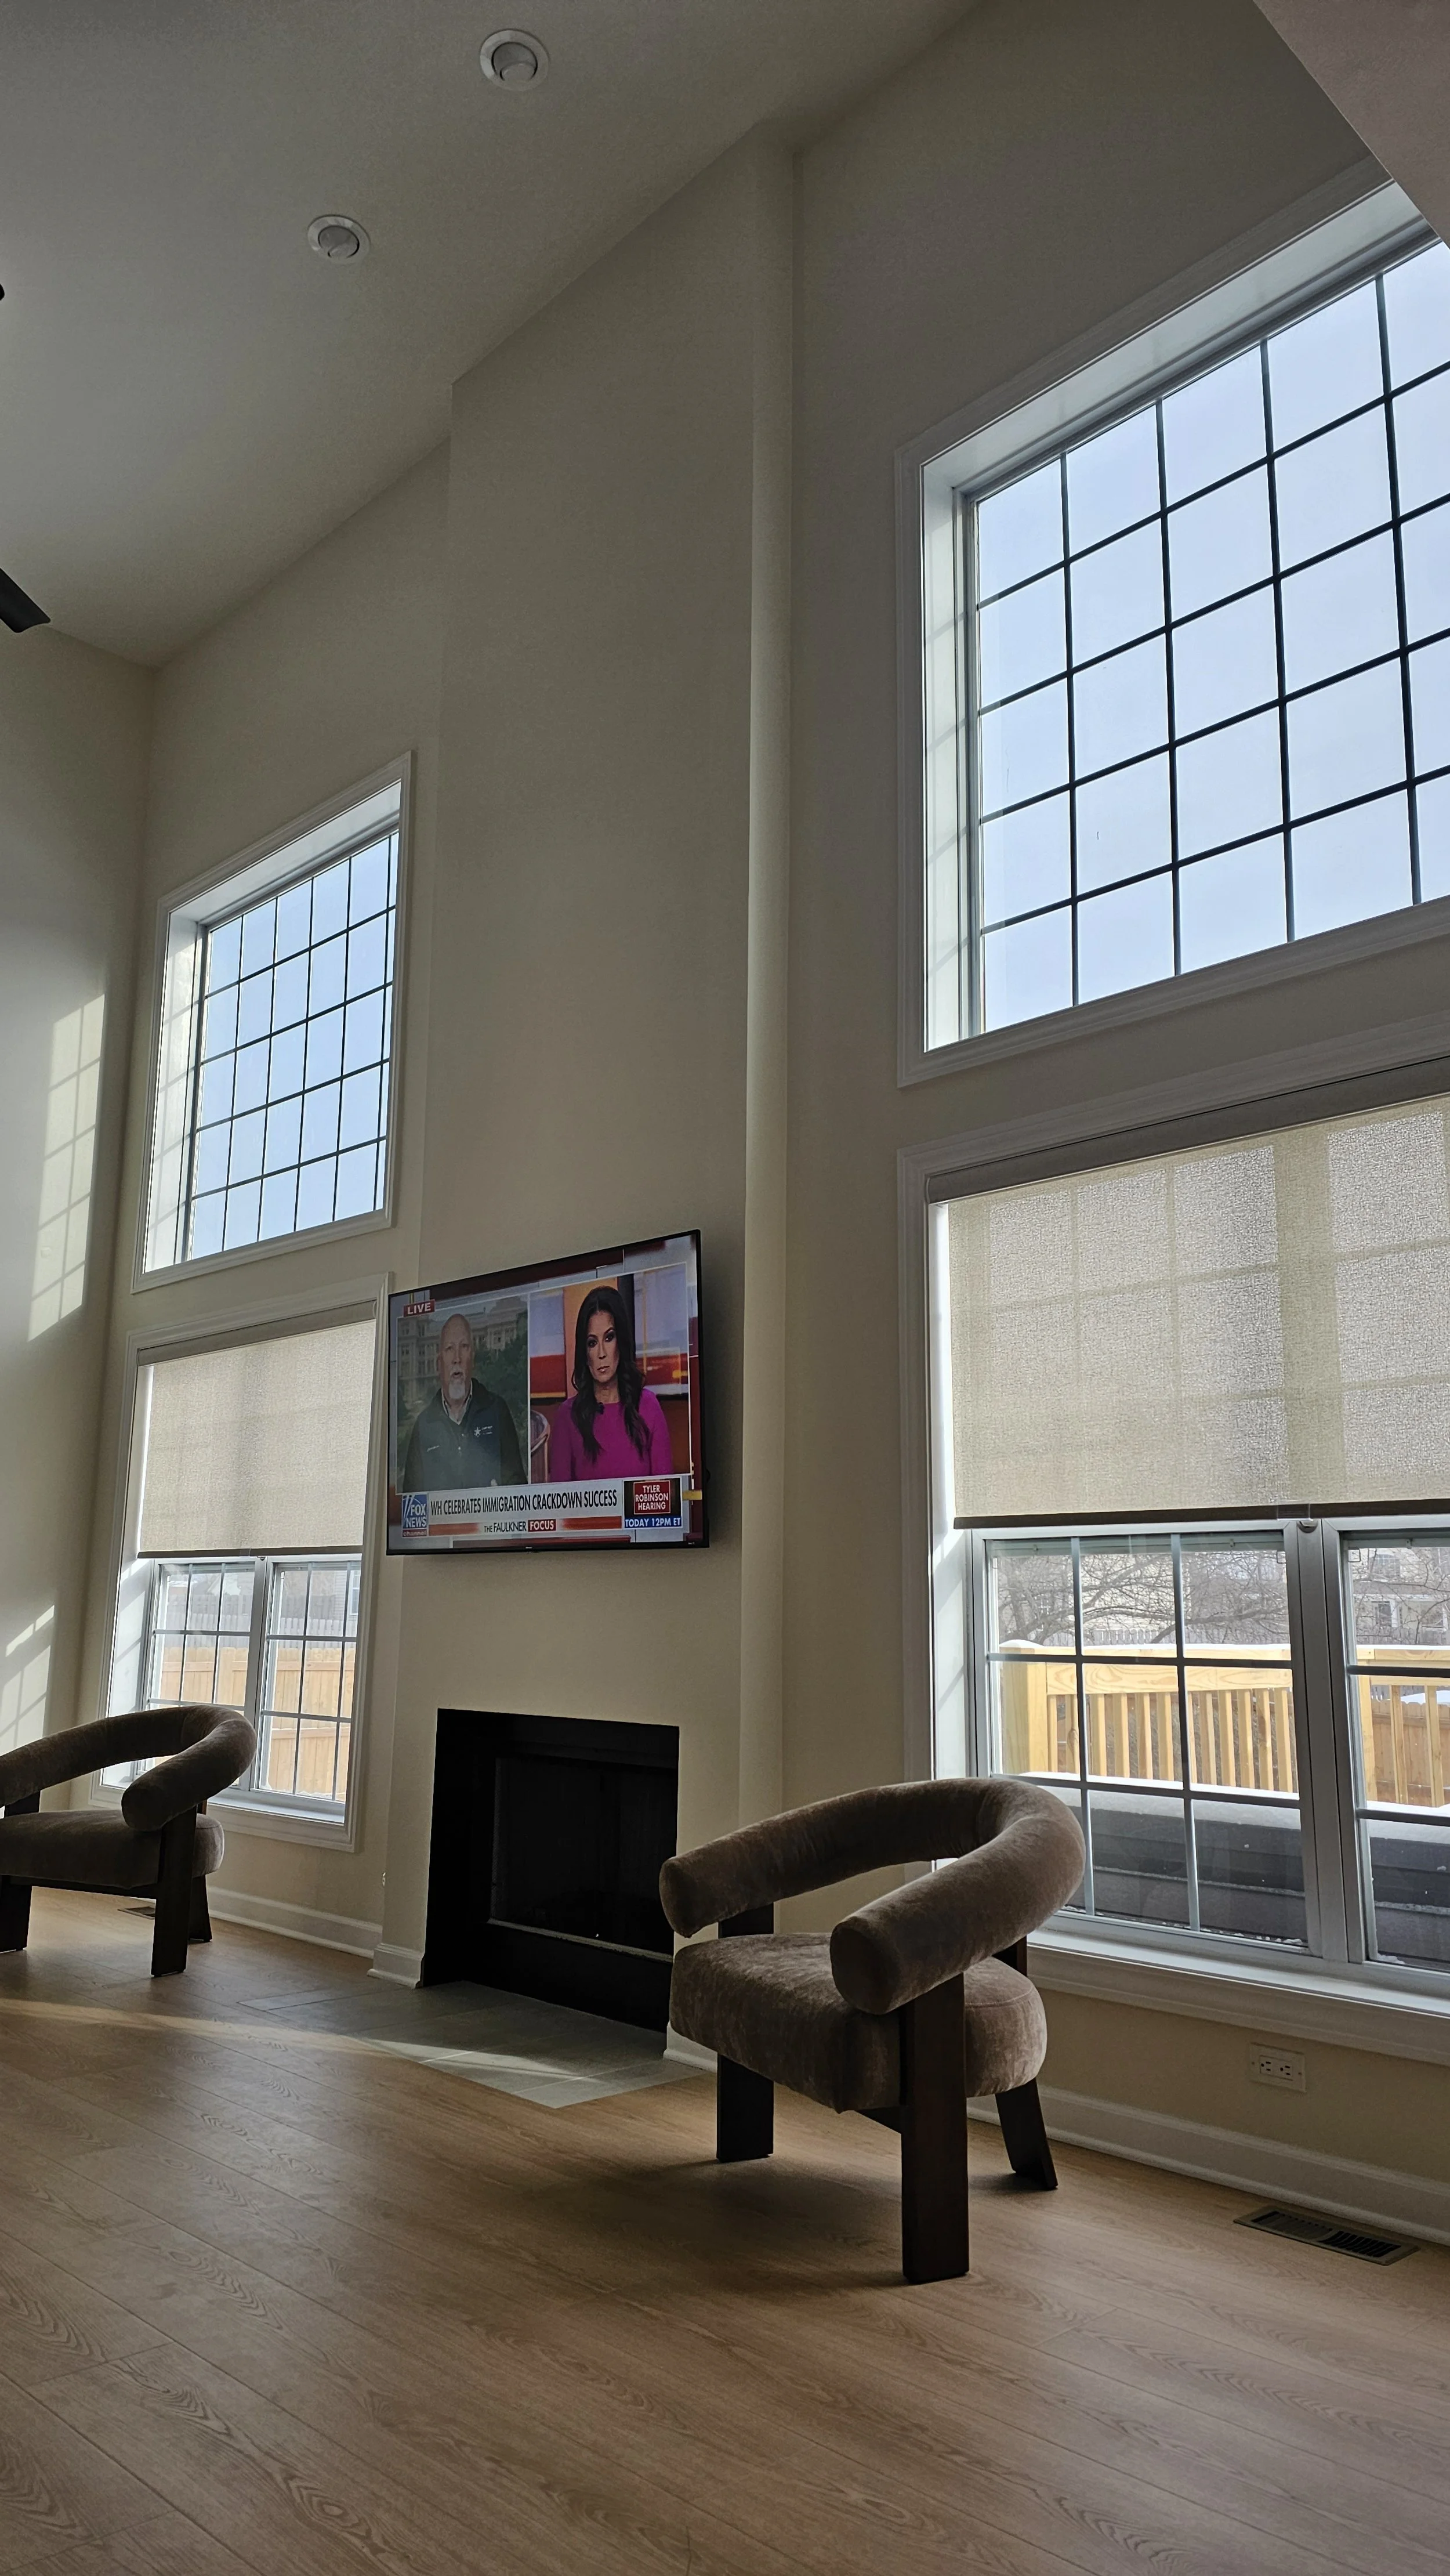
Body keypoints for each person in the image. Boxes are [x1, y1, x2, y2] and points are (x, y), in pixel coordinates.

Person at [547, 1285, 673, 1482]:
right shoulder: (567, 1417)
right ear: (585, 1352)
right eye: (592, 1343)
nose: (602, 1353)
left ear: (620, 1341)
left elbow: (664, 1495)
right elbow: (560, 1498)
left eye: (609, 1338)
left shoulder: (648, 1407)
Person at [401, 1310, 525, 1490]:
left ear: (472, 1359)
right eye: (450, 1349)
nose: (457, 1359)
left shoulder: (497, 1410)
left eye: (464, 1347)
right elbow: (411, 1499)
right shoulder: (423, 1426)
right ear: (439, 1363)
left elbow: (518, 1487)